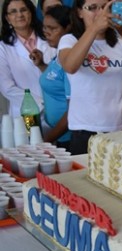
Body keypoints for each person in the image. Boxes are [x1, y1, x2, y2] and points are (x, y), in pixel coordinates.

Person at [58, 0, 122, 154]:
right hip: (86, 132)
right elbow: (70, 66)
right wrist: (94, 28)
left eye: (104, 7)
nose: (101, 13)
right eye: (92, 8)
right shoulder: (69, 40)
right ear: (79, 12)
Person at [0, 0, 52, 118]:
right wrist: (41, 104)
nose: (19, 15)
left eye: (23, 10)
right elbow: (7, 88)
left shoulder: (49, 38)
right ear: (7, 18)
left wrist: (53, 104)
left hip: (57, 110)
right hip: (25, 113)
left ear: (31, 13)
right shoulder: (2, 48)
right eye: (13, 12)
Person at [38, 5, 72, 149]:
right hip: (56, 135)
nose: (47, 33)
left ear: (68, 29)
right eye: (45, 28)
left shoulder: (70, 60)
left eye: (53, 28)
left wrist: (47, 139)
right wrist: (41, 65)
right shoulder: (57, 55)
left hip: (67, 137)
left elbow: (73, 110)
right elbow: (56, 80)